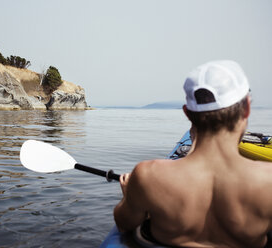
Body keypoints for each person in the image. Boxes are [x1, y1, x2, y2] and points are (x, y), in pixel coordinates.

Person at [114, 60, 272, 248]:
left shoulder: (149, 175)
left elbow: (124, 224)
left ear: (187, 113)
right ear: (247, 108)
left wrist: (131, 195)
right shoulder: (268, 180)